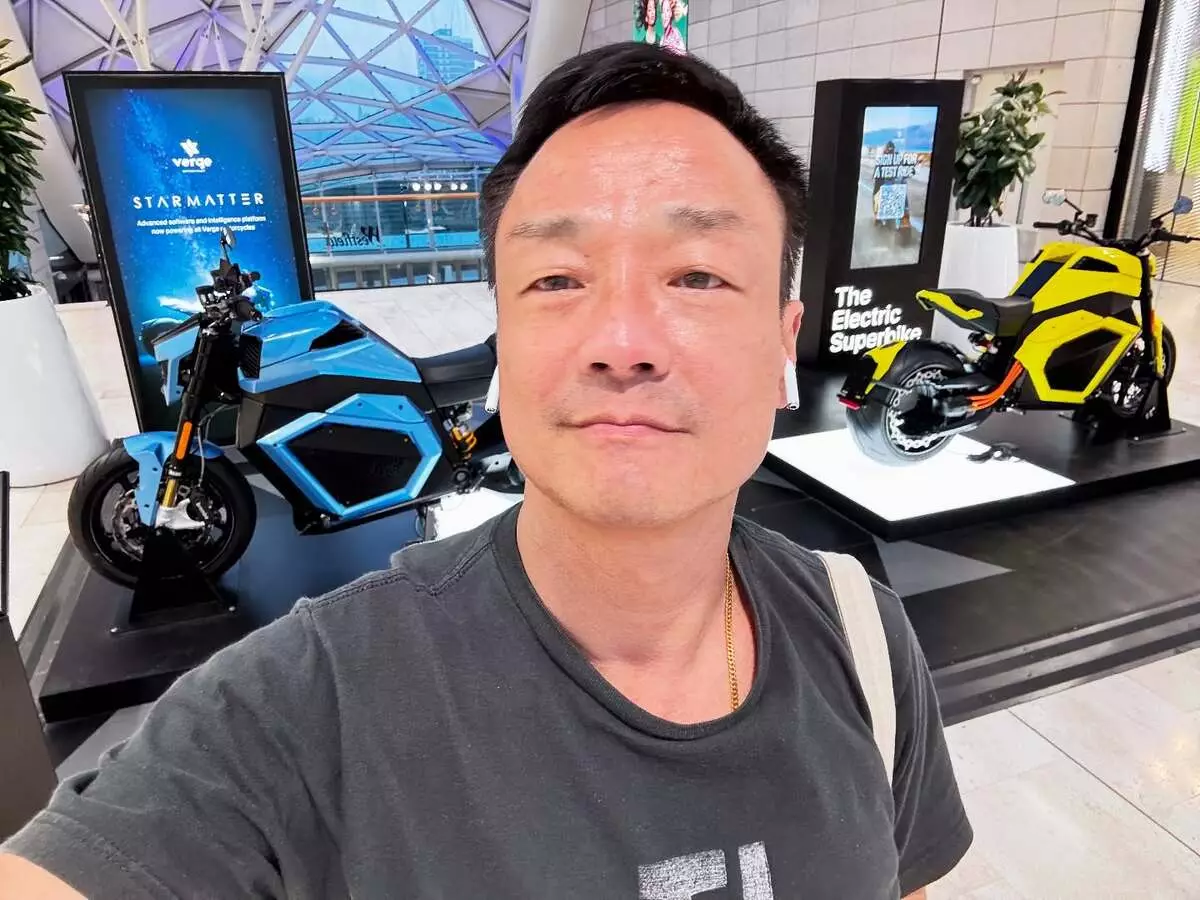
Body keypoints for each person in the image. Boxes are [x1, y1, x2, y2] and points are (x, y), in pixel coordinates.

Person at [0, 44, 970, 898]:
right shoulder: (297, 708)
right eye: (557, 279)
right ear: (504, 326)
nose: (623, 340)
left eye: (698, 275)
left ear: (782, 342)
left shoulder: (863, 637)